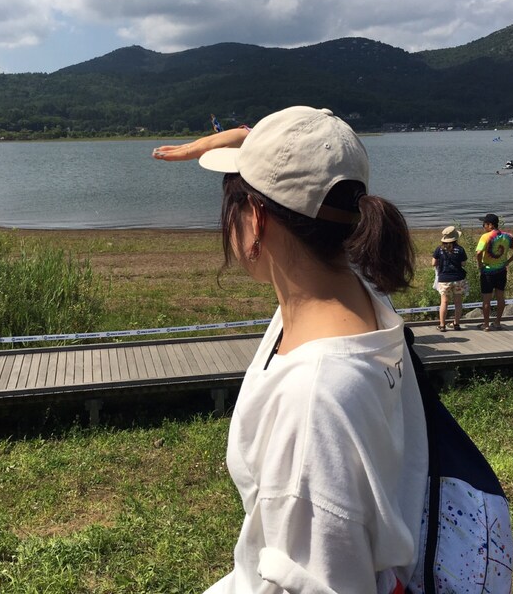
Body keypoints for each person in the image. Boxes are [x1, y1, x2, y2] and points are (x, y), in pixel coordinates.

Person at [153, 106, 428, 593]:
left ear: (257, 218)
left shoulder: (313, 403)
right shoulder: (358, 289)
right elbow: (313, 152)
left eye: (231, 201)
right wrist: (221, 142)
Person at [475, 213, 513, 331]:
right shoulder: (507, 236)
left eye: (484, 224)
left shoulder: (486, 237)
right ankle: (497, 322)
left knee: (486, 299)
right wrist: (508, 261)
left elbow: (479, 252)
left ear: (490, 225)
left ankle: (486, 325)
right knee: (500, 297)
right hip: (501, 271)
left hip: (488, 272)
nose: (483, 226)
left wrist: (480, 264)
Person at [431, 225, 469, 331]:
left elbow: (433, 263)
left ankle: (442, 325)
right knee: (458, 302)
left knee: (444, 302)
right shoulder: (460, 249)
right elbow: (464, 263)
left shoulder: (439, 249)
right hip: (458, 278)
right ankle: (456, 324)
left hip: (444, 279)